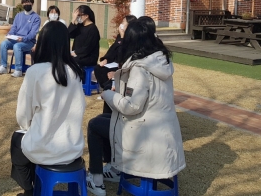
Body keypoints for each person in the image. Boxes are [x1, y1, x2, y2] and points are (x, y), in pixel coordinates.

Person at [85, 18, 186, 196]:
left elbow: (131, 107)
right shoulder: (160, 61)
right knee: (104, 119)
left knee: (95, 125)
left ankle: (97, 180)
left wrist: (108, 95)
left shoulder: (140, 68)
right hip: (162, 130)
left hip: (144, 133)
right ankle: (114, 169)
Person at [10, 21, 85, 196]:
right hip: (72, 147)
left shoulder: (36, 72)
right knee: (28, 141)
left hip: (44, 147)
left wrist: (28, 128)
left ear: (42, 42)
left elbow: (23, 115)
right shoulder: (75, 72)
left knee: (17, 141)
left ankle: (29, 190)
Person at [0, 0, 41, 77]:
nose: (26, 4)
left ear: (32, 4)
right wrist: (10, 34)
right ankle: (3, 66)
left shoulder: (36, 17)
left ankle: (18, 70)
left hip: (28, 42)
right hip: (16, 39)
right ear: (22, 4)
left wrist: (24, 38)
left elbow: (33, 33)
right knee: (3, 44)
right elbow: (14, 27)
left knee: (17, 46)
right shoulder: (18, 15)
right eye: (24, 3)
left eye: (28, 3)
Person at [95, 15, 137, 92]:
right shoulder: (119, 36)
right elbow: (113, 49)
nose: (121, 24)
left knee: (106, 71)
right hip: (114, 62)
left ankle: (110, 88)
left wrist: (122, 37)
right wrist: (106, 59)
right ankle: (106, 89)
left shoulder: (132, 38)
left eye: (123, 22)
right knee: (98, 68)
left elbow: (122, 54)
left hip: (123, 64)